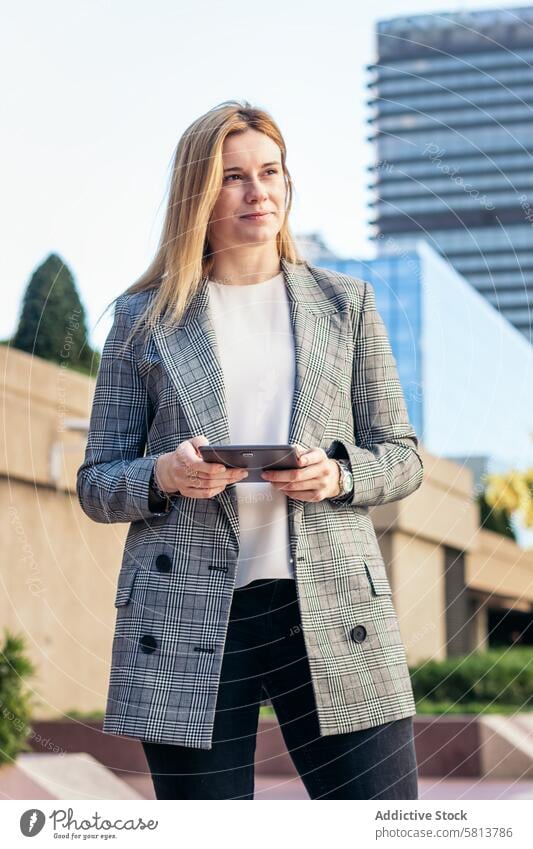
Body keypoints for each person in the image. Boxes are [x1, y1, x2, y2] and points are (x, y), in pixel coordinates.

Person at [76, 100, 424, 800]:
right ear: (196, 195)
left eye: (269, 172)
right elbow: (95, 480)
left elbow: (403, 454)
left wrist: (338, 474)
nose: (257, 191)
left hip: (330, 604)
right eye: (232, 177)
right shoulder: (141, 319)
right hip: (185, 608)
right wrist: (165, 472)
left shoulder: (344, 304)